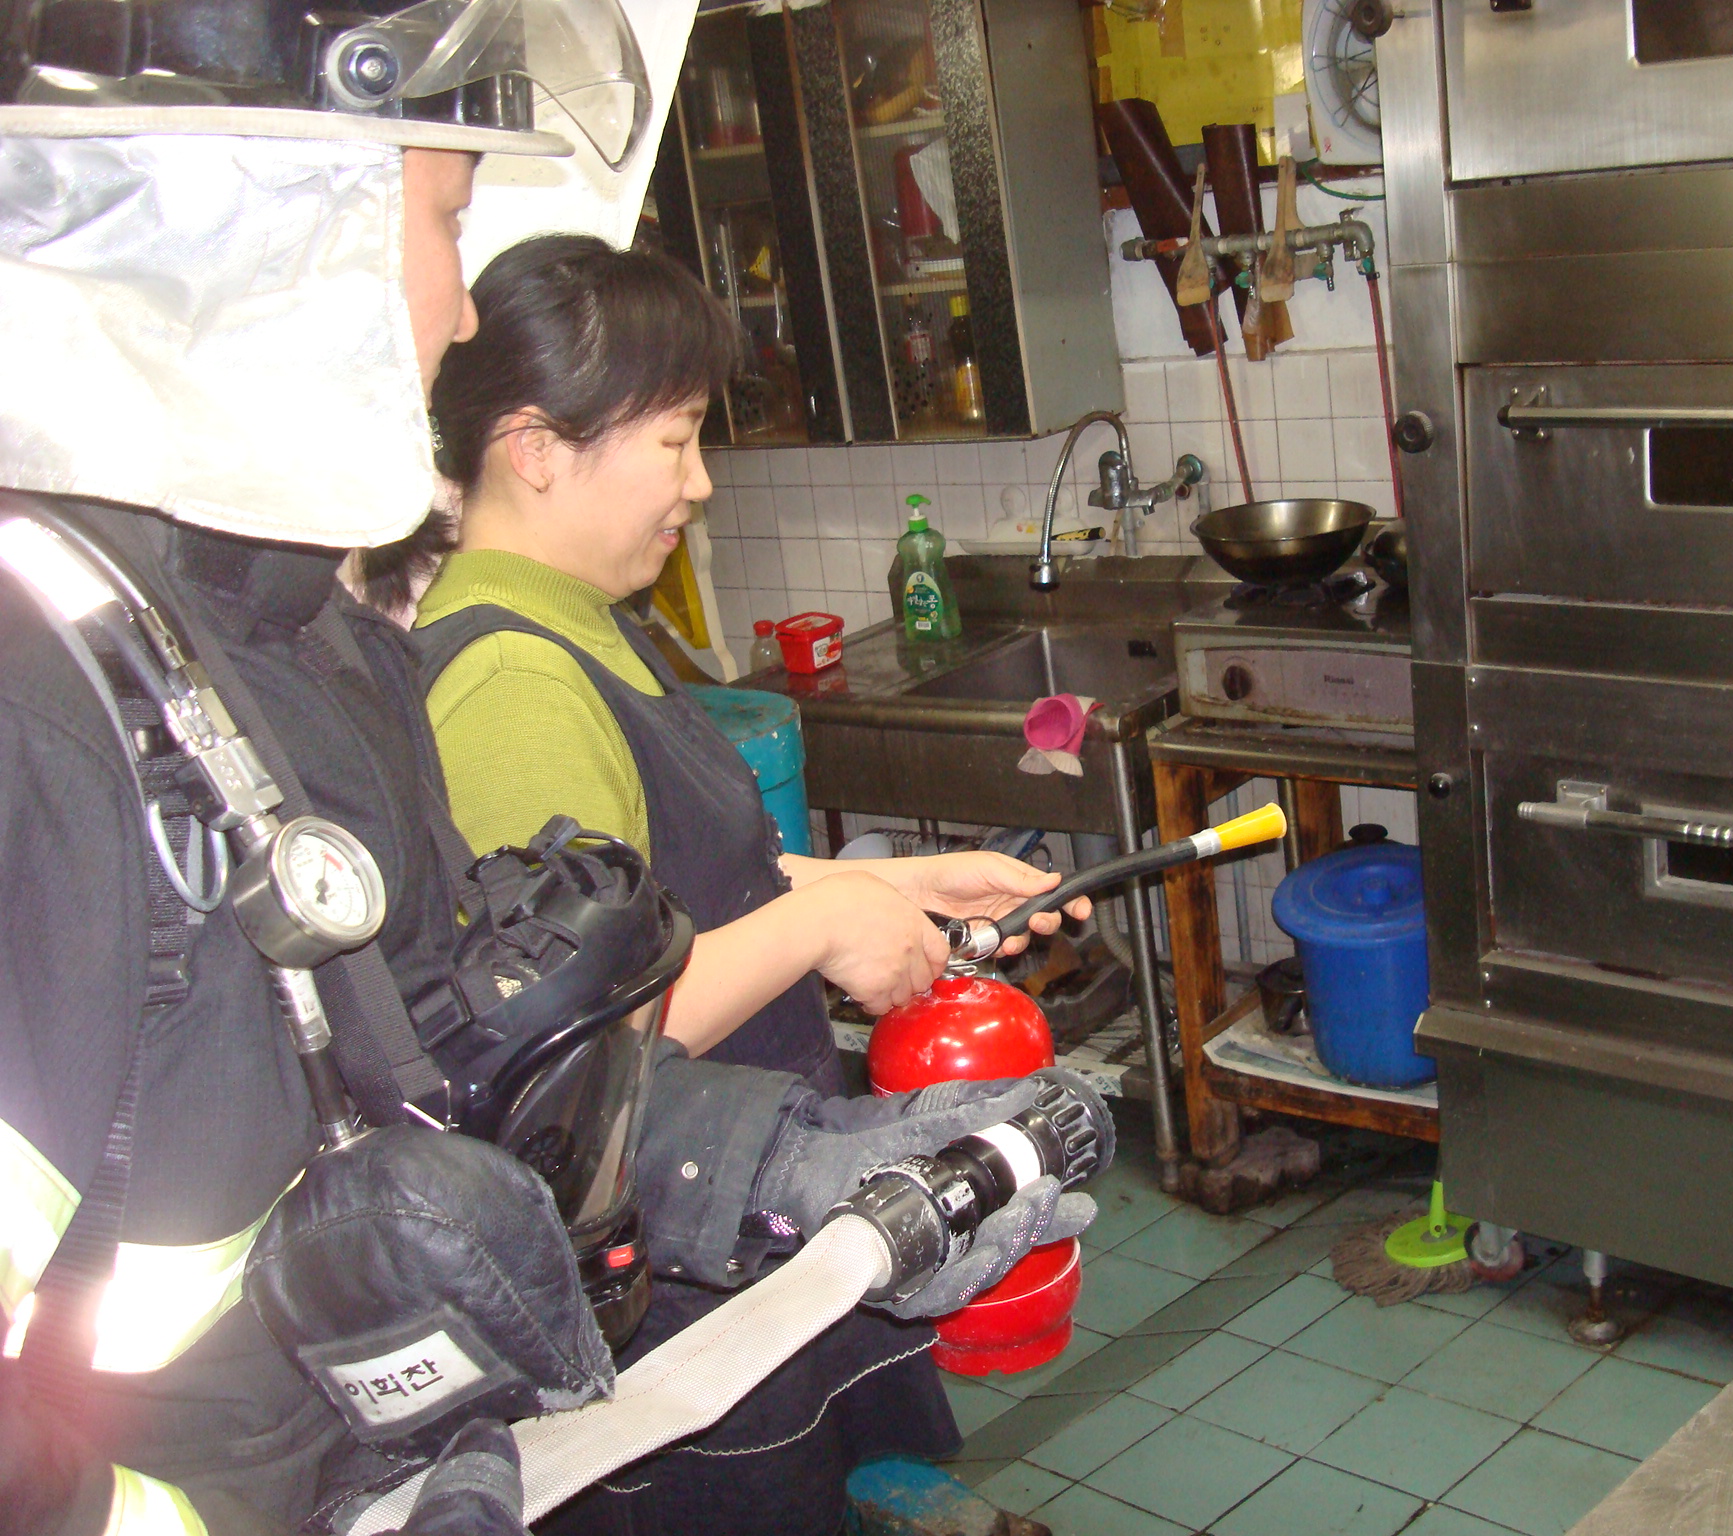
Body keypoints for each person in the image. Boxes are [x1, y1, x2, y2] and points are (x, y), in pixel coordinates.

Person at [0, 8, 1089, 1536]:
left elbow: (459, 1057)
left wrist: (781, 1163)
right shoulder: (40, 717)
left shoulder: (297, 649)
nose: (458, 318)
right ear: (241, 223)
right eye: (444, 222)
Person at [386, 233, 1094, 1535]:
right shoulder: (507, 682)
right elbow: (573, 1054)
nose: (699, 484)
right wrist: (823, 922)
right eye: (675, 442)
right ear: (535, 448)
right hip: (666, 1274)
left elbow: (680, 888)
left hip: (738, 1210)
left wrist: (908, 884)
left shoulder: (580, 621)